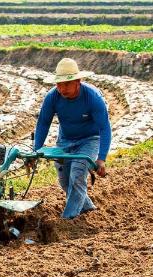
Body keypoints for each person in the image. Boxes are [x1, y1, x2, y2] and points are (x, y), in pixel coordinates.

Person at [32, 58, 111, 219]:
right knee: (65, 181)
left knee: (77, 174)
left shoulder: (92, 97)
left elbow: (104, 128)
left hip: (90, 140)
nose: (62, 89)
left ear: (78, 81)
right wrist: (36, 150)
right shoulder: (52, 97)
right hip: (65, 140)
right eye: (59, 84)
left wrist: (101, 158)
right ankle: (88, 209)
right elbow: (43, 123)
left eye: (66, 84)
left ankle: (68, 219)